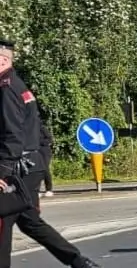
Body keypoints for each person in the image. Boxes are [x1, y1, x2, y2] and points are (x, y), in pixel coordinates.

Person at [0, 39, 99, 268]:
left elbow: (12, 136)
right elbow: (40, 132)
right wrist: (41, 161)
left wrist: (2, 172)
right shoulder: (18, 86)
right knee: (30, 222)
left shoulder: (6, 90)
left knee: (3, 222)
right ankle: (79, 262)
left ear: (3, 60)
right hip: (30, 166)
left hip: (18, 168)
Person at [37, 110, 53, 198]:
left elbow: (50, 139)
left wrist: (39, 142)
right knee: (37, 170)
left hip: (45, 151)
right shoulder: (30, 129)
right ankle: (37, 190)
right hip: (36, 151)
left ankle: (49, 189)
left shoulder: (42, 128)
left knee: (45, 169)